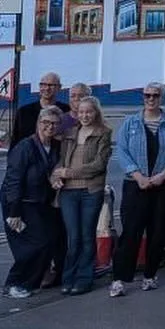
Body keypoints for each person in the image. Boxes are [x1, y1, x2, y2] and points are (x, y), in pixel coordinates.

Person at [109, 83, 165, 297]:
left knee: (158, 231)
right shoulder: (130, 122)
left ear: (162, 98)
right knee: (130, 231)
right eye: (147, 95)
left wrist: (164, 173)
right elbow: (122, 151)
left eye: (155, 95)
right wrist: (138, 175)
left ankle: (150, 275)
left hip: (163, 184)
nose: (150, 99)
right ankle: (120, 278)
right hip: (135, 184)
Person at [51, 95, 112, 295]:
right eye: (81, 112)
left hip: (90, 191)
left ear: (96, 113)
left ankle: (84, 279)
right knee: (73, 237)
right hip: (68, 192)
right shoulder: (69, 134)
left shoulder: (103, 133)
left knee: (87, 236)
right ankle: (68, 278)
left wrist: (69, 173)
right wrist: (55, 176)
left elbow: (98, 165)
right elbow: (61, 161)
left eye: (89, 112)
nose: (85, 115)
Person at [0, 106, 62, 298]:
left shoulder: (56, 147)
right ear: (38, 123)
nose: (49, 127)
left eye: (54, 123)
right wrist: (14, 212)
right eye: (45, 122)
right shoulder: (25, 147)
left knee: (47, 243)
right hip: (20, 203)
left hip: (39, 202)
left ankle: (29, 284)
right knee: (33, 245)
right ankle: (13, 284)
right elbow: (13, 179)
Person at [10, 72, 68, 147]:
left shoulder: (66, 111)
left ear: (59, 88)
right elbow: (15, 141)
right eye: (43, 84)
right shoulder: (24, 112)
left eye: (51, 85)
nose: (47, 88)